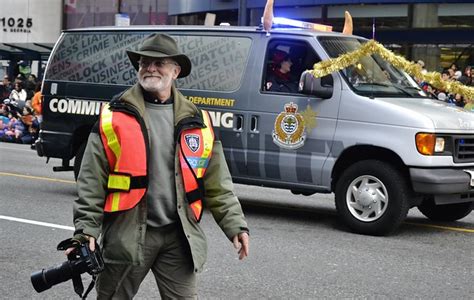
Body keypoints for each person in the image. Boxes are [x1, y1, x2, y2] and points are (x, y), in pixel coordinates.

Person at [66, 33, 250, 299]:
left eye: (159, 63)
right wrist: (86, 231)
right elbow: (91, 182)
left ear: (175, 71)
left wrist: (236, 226)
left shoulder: (198, 120)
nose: (150, 68)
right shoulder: (114, 115)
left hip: (179, 236)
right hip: (128, 234)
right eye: (144, 62)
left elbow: (217, 183)